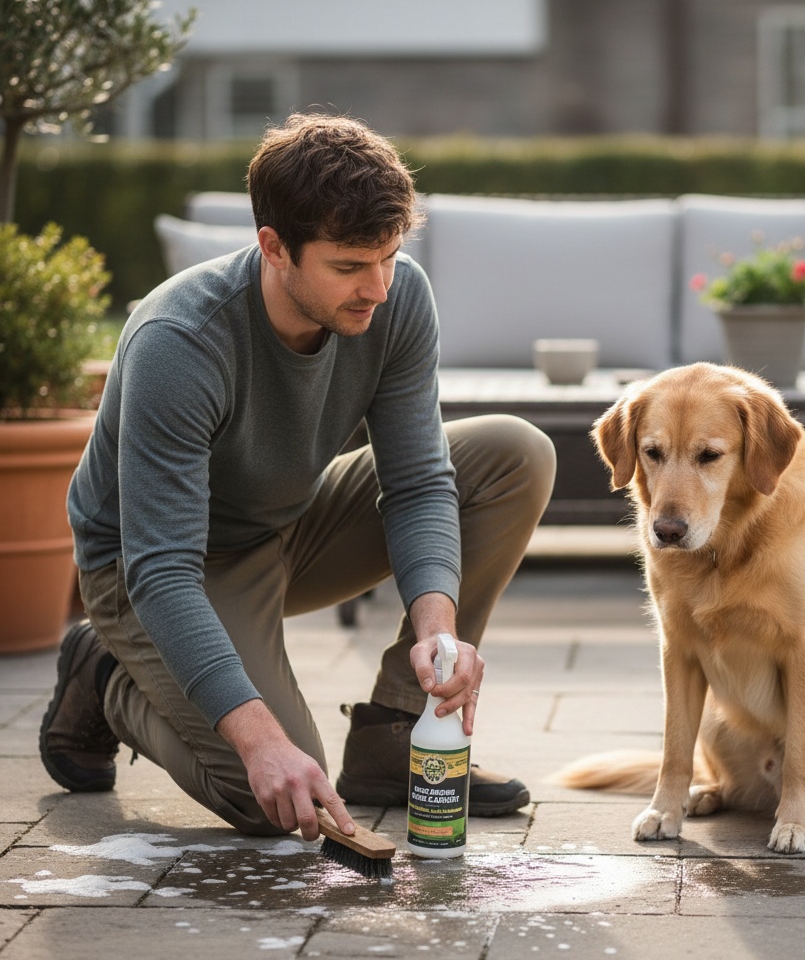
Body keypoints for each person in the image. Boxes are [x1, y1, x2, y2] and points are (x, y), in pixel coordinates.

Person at [39, 111, 556, 844]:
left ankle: (394, 737)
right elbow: (161, 569)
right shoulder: (179, 343)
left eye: (388, 256)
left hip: (288, 521)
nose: (377, 288)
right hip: (152, 567)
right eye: (348, 266)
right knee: (280, 795)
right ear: (274, 248)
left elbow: (416, 483)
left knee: (514, 452)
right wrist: (259, 741)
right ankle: (105, 671)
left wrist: (436, 634)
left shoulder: (396, 295)